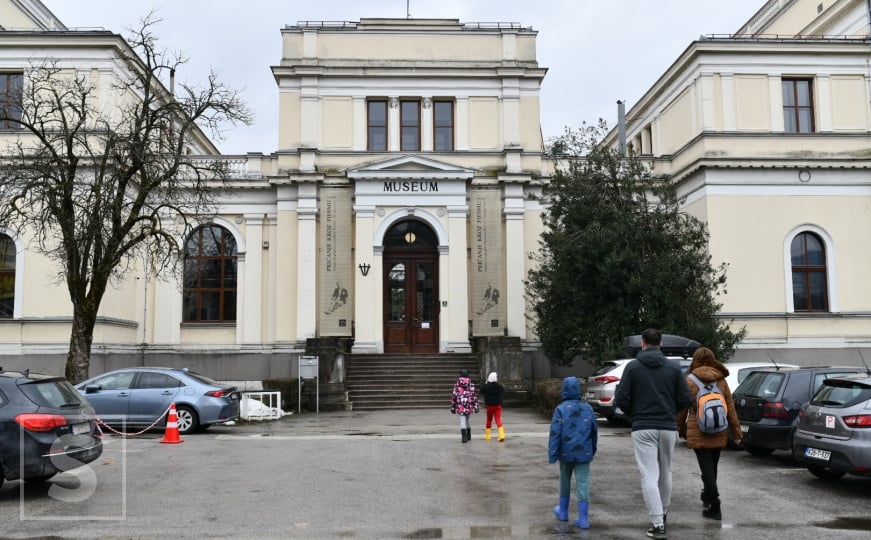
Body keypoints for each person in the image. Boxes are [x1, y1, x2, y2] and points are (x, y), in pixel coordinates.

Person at [614, 328, 691, 540]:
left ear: (642, 343)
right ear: (661, 344)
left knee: (649, 473)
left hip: (643, 426)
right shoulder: (674, 368)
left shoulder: (633, 367)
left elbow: (621, 397)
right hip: (667, 426)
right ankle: (663, 516)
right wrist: (669, 411)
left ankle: (657, 524)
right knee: (666, 471)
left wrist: (634, 414)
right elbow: (685, 398)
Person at [677, 347, 742, 521]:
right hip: (719, 429)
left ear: (695, 360)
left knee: (706, 468)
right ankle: (707, 496)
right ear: (712, 359)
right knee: (712, 467)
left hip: (698, 430)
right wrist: (736, 432)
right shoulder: (721, 380)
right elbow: (730, 407)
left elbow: (682, 408)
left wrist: (680, 429)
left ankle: (714, 503)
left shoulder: (690, 380)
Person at [548, 376, 598, 529]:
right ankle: (583, 518)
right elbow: (594, 431)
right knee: (583, 483)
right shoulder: (588, 408)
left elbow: (555, 433)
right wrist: (592, 450)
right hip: (584, 453)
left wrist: (553, 454)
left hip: (565, 452)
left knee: (565, 479)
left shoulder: (560, 409)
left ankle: (563, 511)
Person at [450, 369, 479, 443]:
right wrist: (476, 407)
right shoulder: (471, 384)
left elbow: (454, 397)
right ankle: (469, 435)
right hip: (469, 405)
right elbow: (474, 396)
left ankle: (464, 437)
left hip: (460, 405)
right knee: (468, 419)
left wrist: (453, 407)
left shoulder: (457, 385)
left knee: (462, 420)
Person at [480, 372, 506, 441]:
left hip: (490, 406)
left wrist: (485, 383)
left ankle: (488, 436)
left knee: (489, 420)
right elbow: (503, 390)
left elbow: (481, 391)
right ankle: (501, 435)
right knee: (498, 419)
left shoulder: (487, 387)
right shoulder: (499, 386)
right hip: (498, 405)